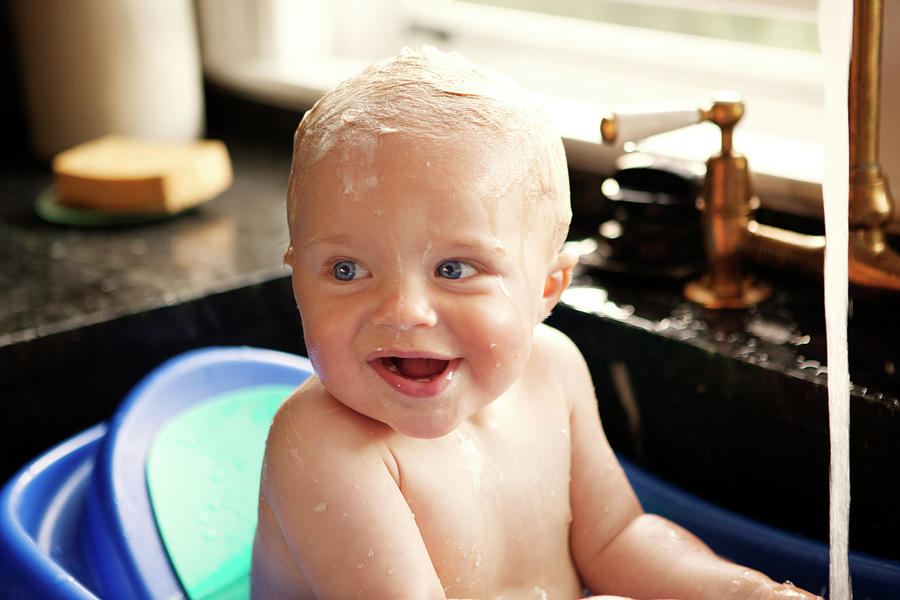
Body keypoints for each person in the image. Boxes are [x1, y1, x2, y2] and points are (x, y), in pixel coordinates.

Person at [251, 46, 822, 600]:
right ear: (297, 279)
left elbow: (616, 539)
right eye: (346, 269)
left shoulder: (554, 370)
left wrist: (745, 592)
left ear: (547, 288)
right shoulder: (321, 445)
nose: (403, 311)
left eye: (454, 268)